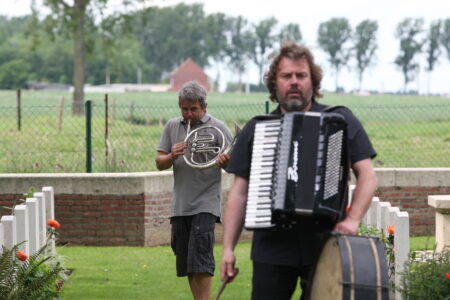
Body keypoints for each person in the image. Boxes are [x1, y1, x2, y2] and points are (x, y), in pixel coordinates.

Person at [220, 42, 378, 300]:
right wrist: (228, 249)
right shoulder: (258, 128)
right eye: (286, 76)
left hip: (325, 243)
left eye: (301, 75)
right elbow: (239, 194)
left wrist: (353, 220)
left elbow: (368, 175)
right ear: (275, 83)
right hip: (271, 247)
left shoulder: (340, 120)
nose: (294, 81)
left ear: (313, 82)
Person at [155, 80, 232, 300]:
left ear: (204, 107)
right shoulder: (172, 126)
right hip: (180, 204)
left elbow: (232, 165)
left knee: (201, 260)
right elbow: (159, 162)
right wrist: (171, 155)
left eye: (193, 109)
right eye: (184, 109)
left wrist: (225, 161)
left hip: (205, 203)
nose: (188, 114)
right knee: (188, 262)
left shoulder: (217, 128)